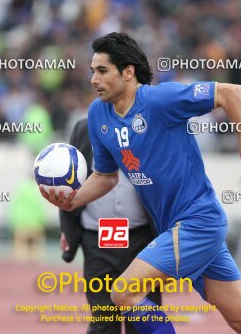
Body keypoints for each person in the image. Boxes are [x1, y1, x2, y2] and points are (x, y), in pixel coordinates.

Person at [40, 32, 241, 334]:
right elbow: (105, 176)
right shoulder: (97, 115)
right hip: (175, 229)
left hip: (198, 222)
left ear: (128, 72)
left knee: (123, 292)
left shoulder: (159, 99)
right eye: (92, 71)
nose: (93, 79)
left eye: (102, 71)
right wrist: (72, 201)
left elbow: (232, 93)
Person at [60, 117, 161, 334]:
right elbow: (68, 179)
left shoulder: (148, 125)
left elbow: (165, 177)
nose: (97, 81)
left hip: (143, 239)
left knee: (143, 318)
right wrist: (67, 230)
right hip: (96, 237)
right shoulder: (84, 128)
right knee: (103, 317)